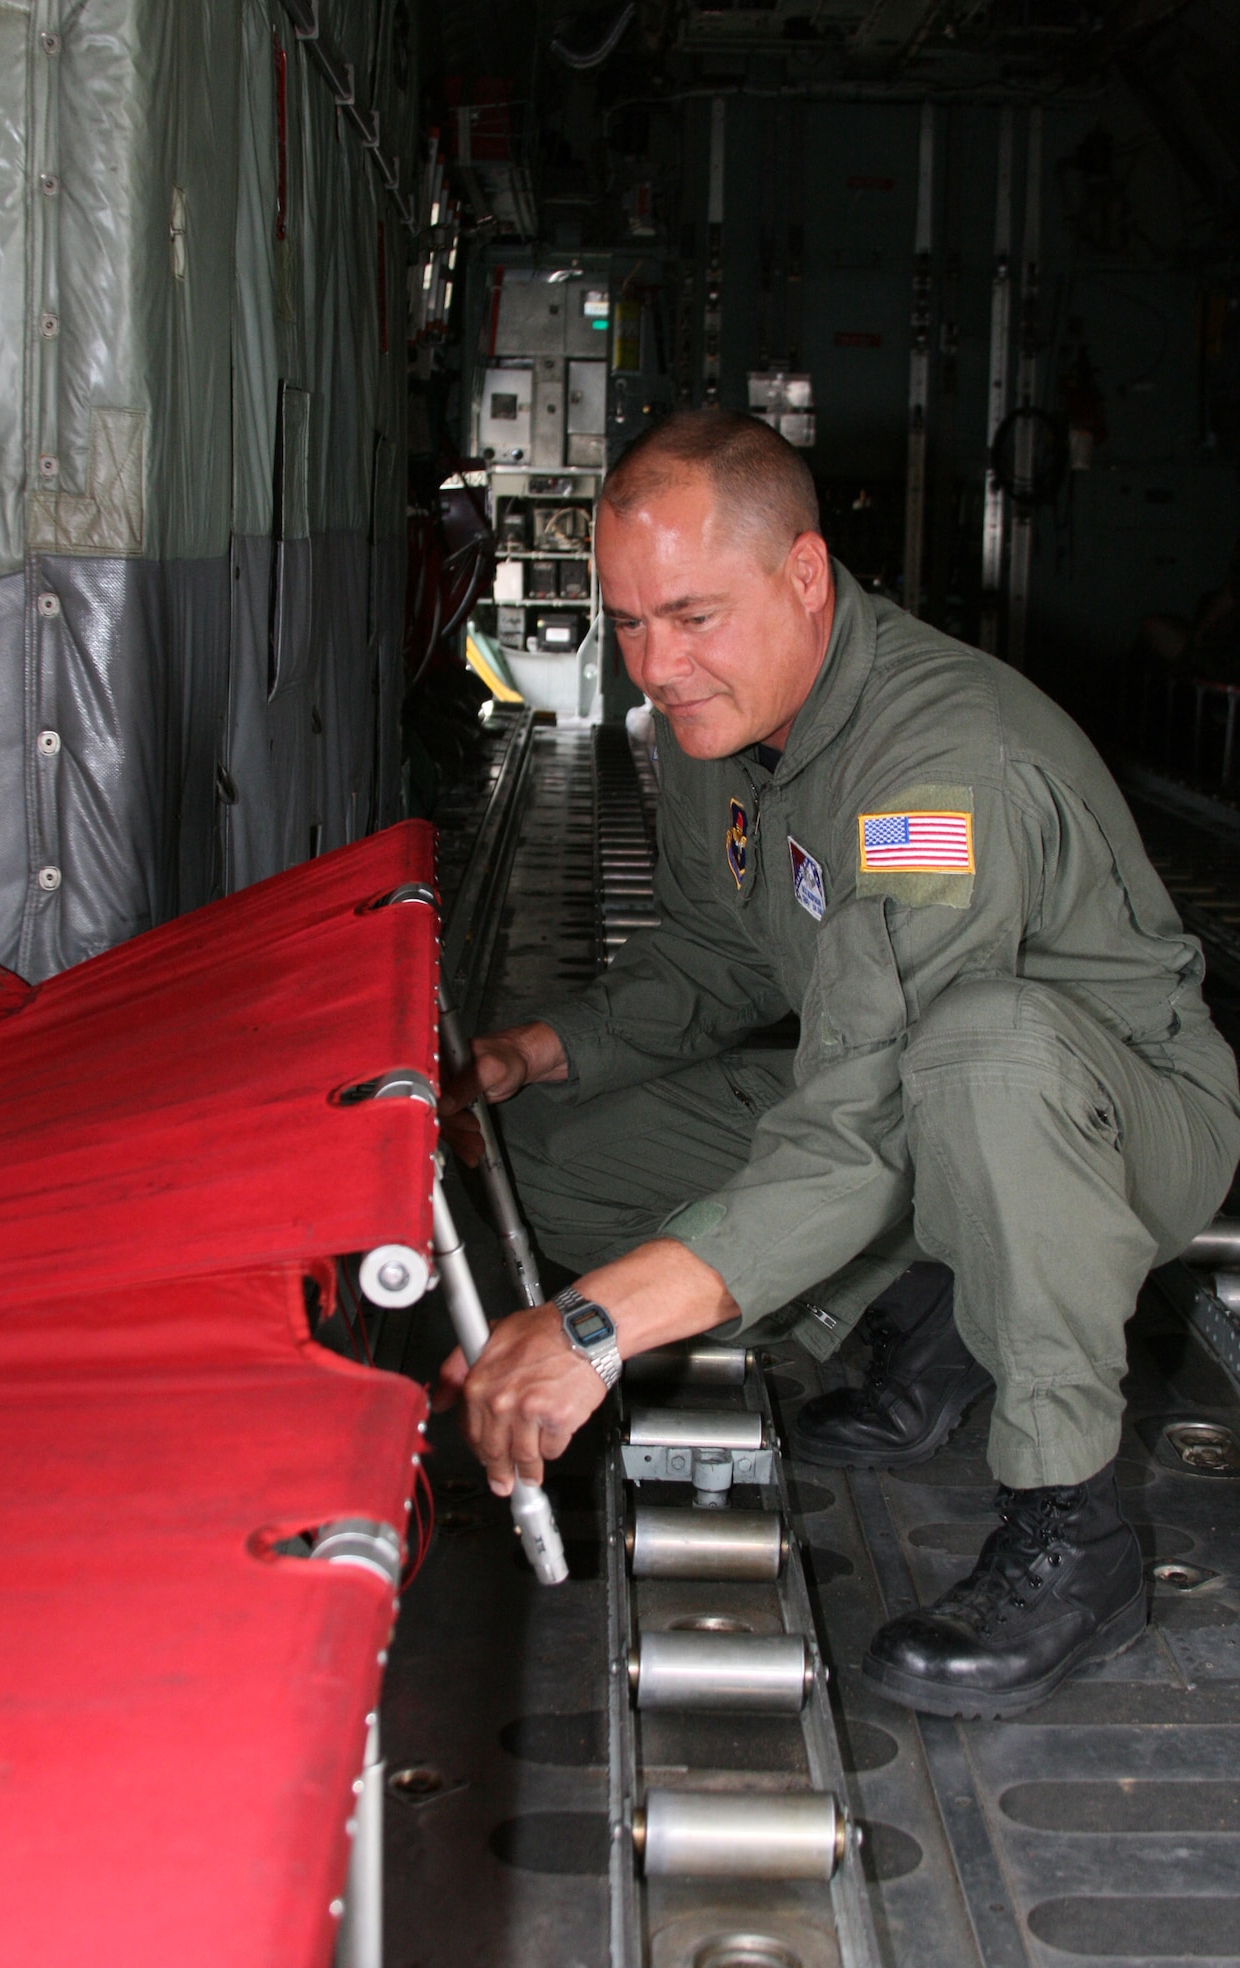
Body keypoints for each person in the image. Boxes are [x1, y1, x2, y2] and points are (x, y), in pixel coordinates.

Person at [439, 411, 1240, 1719]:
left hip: (1106, 1114)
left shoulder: (938, 767)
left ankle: (1070, 1532)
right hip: (897, 1087)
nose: (658, 665)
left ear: (803, 578)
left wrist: (591, 1330)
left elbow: (869, 1120)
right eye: (630, 622)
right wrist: (533, 1054)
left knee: (979, 1049)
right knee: (537, 1170)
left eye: (692, 616)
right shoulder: (728, 718)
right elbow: (717, 960)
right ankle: (928, 1312)